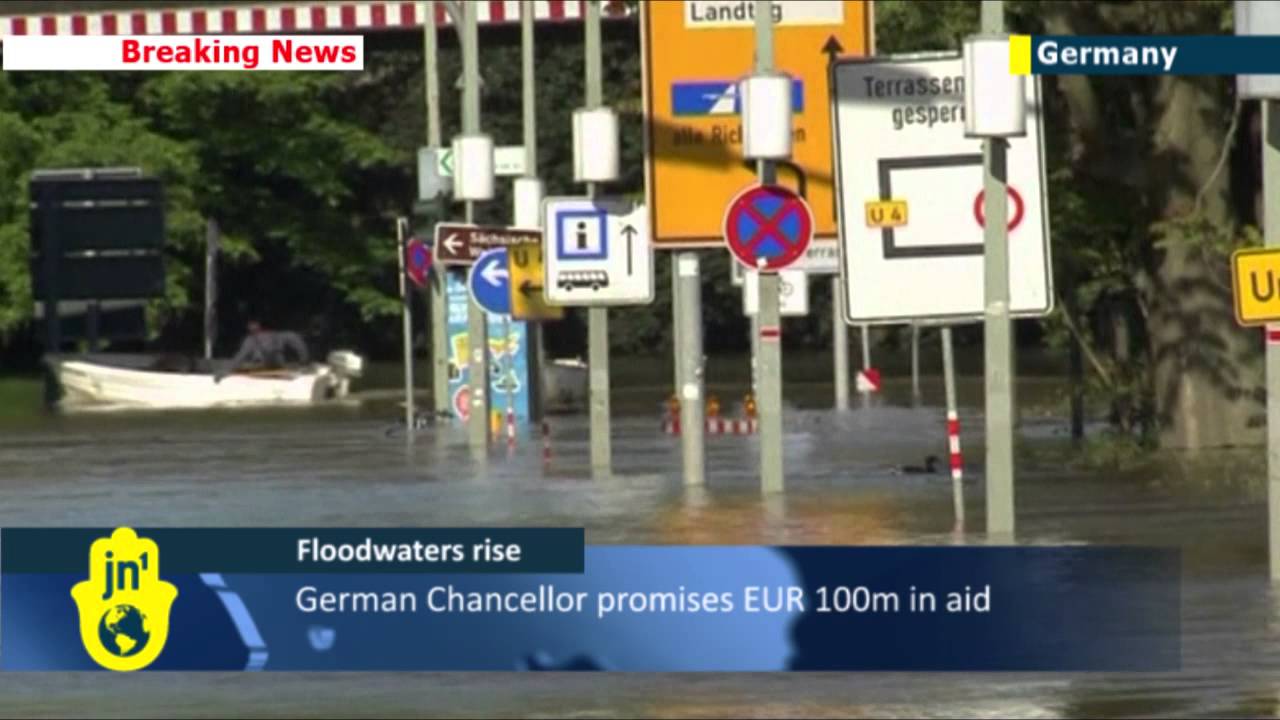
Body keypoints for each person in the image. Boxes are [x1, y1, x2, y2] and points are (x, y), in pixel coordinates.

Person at [216, 320, 310, 382]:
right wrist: (304, 361)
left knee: (249, 362)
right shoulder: (280, 335)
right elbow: (298, 343)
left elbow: (240, 357)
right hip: (279, 366)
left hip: (263, 368)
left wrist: (225, 372)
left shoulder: (251, 340)